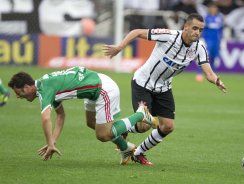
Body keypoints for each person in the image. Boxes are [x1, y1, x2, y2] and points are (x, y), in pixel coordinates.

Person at [103, 13, 226, 165]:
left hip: (164, 88)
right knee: (144, 126)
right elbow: (136, 32)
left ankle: (138, 153)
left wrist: (217, 80)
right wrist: (120, 47)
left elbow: (208, 73)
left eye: (200, 30)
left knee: (168, 126)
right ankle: (122, 128)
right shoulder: (169, 36)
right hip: (143, 83)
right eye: (194, 28)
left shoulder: (199, 48)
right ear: (185, 27)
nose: (197, 33)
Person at [8, 66, 157, 165]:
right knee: (91, 122)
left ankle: (140, 114)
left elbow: (46, 118)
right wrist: (52, 141)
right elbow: (60, 116)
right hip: (92, 87)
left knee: (102, 134)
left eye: (19, 93)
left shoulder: (44, 89)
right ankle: (126, 148)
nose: (19, 97)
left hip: (102, 88)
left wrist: (51, 143)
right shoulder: (45, 84)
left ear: (27, 87)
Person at [195, 2, 224, 82]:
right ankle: (199, 73)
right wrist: (201, 38)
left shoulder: (220, 17)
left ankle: (213, 74)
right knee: (205, 57)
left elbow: (221, 30)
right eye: (212, 8)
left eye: (215, 8)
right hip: (207, 40)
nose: (213, 9)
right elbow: (201, 29)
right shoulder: (206, 18)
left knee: (215, 57)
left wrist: (222, 40)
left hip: (216, 40)